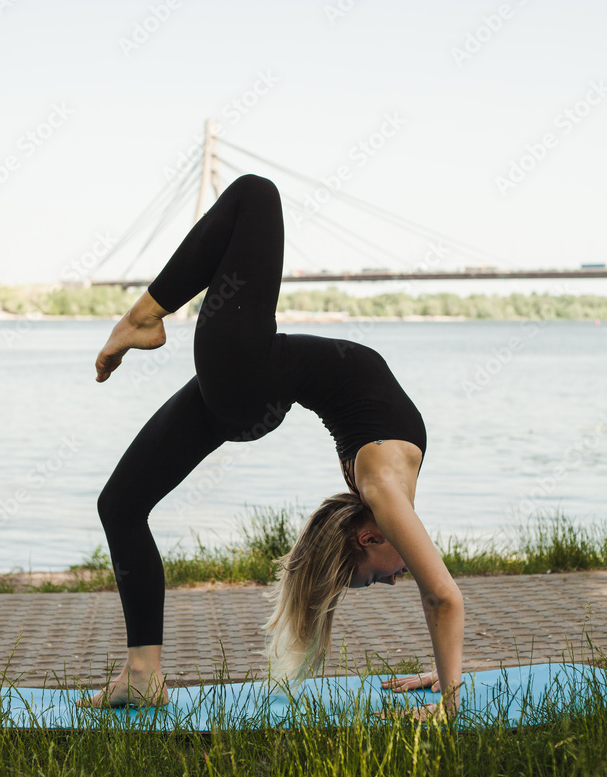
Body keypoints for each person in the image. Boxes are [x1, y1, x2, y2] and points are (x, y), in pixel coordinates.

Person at [75, 174, 464, 721]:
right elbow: (442, 597)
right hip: (253, 382)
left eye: (380, 576)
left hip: (250, 380)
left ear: (370, 533)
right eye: (382, 577)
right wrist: (449, 683)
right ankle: (142, 676)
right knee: (119, 505)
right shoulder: (384, 486)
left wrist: (448, 694)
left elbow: (441, 596)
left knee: (256, 195)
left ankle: (142, 316)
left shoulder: (381, 487)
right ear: (370, 535)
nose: (397, 577)